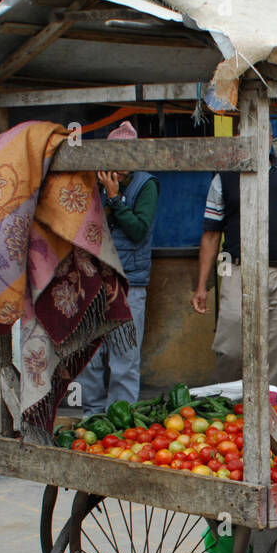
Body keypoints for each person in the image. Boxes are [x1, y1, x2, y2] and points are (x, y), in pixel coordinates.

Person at [192, 154, 277, 389]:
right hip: (235, 267)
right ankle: (231, 407)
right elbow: (211, 234)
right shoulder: (224, 178)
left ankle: (274, 411)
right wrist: (201, 286)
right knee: (230, 347)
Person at [77, 121, 160, 416]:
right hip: (94, 280)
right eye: (115, 160)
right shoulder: (92, 185)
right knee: (90, 353)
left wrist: (115, 199)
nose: (120, 168)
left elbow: (139, 231)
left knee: (125, 355)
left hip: (129, 282)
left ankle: (120, 420)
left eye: (127, 161)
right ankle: (92, 418)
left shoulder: (146, 185)